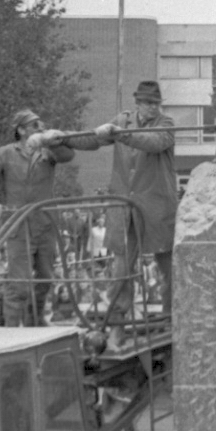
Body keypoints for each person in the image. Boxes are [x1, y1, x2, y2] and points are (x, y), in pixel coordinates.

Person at [65, 80, 178, 327]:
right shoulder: (123, 120)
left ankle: (171, 315)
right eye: (148, 103)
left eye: (156, 103)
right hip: (125, 207)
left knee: (168, 266)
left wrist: (120, 133)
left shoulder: (166, 124)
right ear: (137, 103)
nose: (153, 107)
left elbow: (154, 142)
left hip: (157, 207)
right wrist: (63, 138)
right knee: (121, 266)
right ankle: (117, 316)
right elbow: (93, 140)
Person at [0, 108, 76, 326]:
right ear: (21, 130)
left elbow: (68, 155)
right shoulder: (6, 153)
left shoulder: (47, 151)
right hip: (18, 225)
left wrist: (50, 140)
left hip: (46, 224)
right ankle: (10, 329)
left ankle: (34, 321)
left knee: (46, 278)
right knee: (19, 284)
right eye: (34, 125)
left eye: (41, 124)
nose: (40, 128)